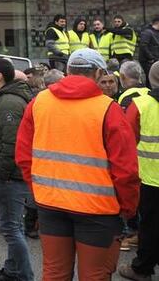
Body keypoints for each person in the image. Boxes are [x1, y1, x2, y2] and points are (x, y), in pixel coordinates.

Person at [15, 48, 140, 281]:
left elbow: (23, 155)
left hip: (50, 202)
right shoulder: (108, 109)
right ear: (99, 73)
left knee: (54, 273)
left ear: (68, 70)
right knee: (94, 275)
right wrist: (127, 208)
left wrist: (37, 189)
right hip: (98, 210)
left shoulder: (39, 102)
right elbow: (126, 170)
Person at [0, 57, 35, 281]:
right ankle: (13, 271)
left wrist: (1, 174)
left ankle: (24, 275)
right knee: (15, 227)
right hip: (12, 175)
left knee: (11, 229)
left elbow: (11, 143)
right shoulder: (8, 98)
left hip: (11, 177)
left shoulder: (9, 102)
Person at [119, 62, 159, 281]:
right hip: (150, 176)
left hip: (150, 177)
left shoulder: (141, 104)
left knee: (150, 225)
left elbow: (126, 141)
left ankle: (142, 268)